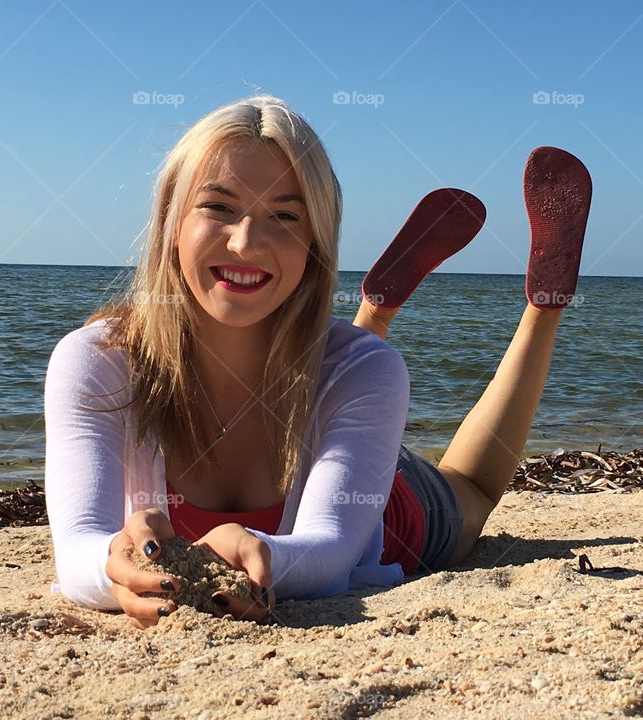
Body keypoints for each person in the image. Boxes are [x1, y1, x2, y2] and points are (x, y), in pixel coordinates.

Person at [44, 95, 591, 628]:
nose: (246, 243)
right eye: (218, 206)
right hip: (335, 417)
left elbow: (330, 553)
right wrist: (111, 567)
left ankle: (542, 309)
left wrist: (264, 555)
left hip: (384, 508)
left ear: (315, 245)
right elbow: (78, 552)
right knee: (352, 369)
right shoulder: (98, 362)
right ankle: (371, 315)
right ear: (170, 219)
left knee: (472, 488)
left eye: (284, 216)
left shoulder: (370, 375)